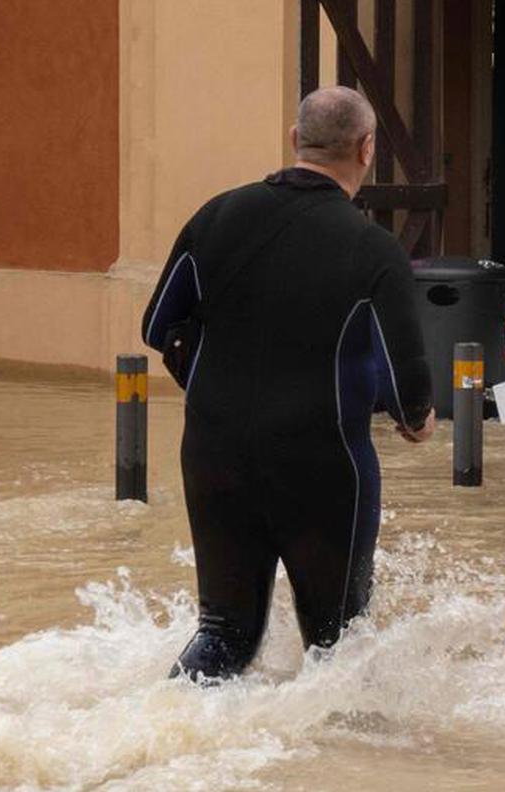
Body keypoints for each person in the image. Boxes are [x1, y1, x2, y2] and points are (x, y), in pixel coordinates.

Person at [141, 86, 435, 681]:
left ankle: (164, 732)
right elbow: (409, 384)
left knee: (224, 633)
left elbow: (157, 326)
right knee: (338, 642)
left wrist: (211, 388)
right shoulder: (373, 248)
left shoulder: (215, 215)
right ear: (367, 149)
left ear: (295, 140)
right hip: (324, 464)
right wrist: (415, 419)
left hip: (215, 454)